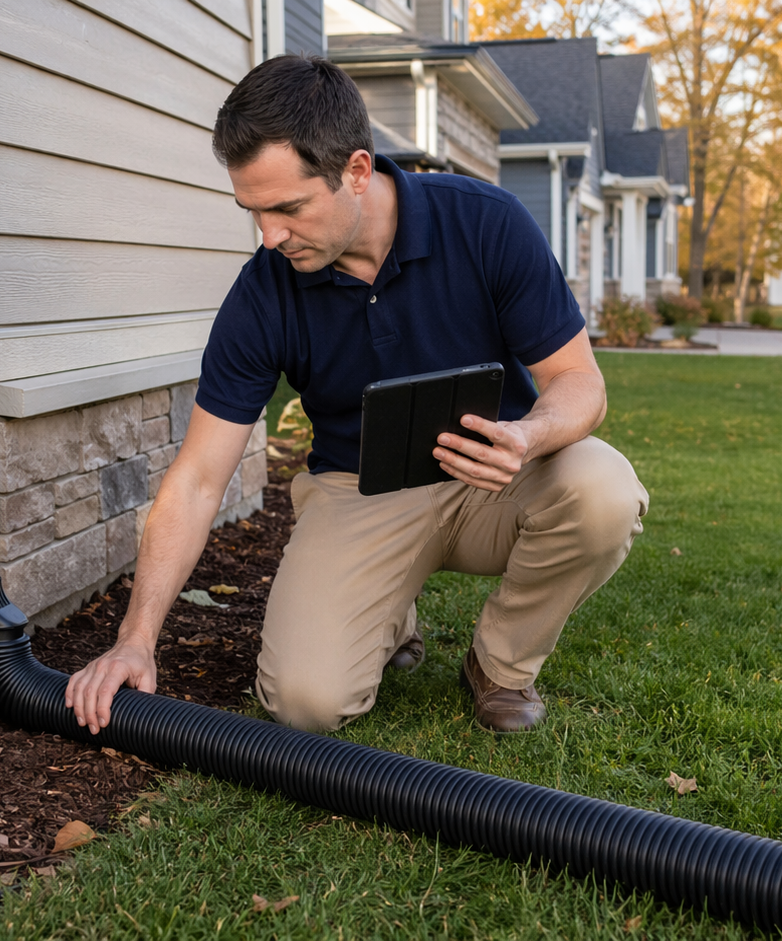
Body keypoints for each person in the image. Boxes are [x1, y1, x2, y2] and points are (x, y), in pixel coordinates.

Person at [65, 55, 648, 735]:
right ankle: (387, 612)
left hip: (495, 475)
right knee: (305, 702)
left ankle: (500, 665)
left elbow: (581, 384)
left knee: (603, 488)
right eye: (252, 211)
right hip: (359, 489)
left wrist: (528, 436)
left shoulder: (486, 224)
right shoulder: (264, 293)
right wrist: (135, 638)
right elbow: (196, 480)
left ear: (358, 171)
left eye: (288, 208)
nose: (270, 236)